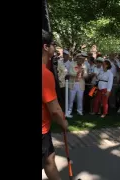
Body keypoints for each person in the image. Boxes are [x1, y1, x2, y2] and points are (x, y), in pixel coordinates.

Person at [42, 29, 68, 180]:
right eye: (53, 44)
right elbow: (56, 111)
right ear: (45, 47)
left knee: (49, 160)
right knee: (49, 160)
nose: (54, 47)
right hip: (42, 130)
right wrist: (63, 123)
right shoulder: (45, 74)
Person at [67, 53, 88, 118]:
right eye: (81, 59)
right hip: (73, 83)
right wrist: (78, 72)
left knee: (80, 98)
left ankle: (79, 111)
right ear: (78, 59)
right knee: (71, 98)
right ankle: (69, 111)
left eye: (83, 60)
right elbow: (70, 73)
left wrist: (83, 74)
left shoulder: (84, 66)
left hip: (80, 84)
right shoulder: (72, 64)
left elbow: (86, 75)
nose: (82, 61)